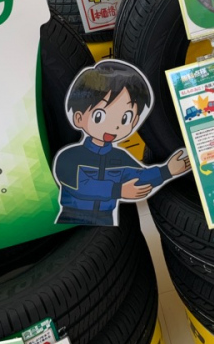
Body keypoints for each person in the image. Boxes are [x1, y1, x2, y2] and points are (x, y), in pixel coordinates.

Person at [53, 60, 190, 226]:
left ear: (135, 121)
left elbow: (140, 177)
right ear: (79, 118)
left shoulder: (121, 157)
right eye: (100, 116)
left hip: (107, 221)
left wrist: (167, 171)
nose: (115, 126)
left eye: (125, 118)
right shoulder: (69, 157)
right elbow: (81, 187)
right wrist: (118, 190)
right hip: (70, 221)